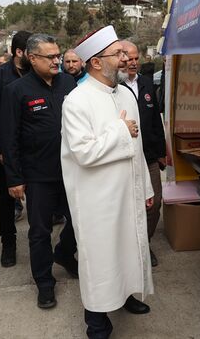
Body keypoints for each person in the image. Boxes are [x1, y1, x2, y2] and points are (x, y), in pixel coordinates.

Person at [61, 26, 154, 339]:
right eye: (118, 54)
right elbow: (84, 152)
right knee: (100, 260)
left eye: (124, 53)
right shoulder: (77, 101)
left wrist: (147, 188)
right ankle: (97, 322)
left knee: (128, 249)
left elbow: (137, 148)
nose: (125, 58)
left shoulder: (125, 93)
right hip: (97, 201)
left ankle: (126, 295)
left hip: (128, 191)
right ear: (96, 62)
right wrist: (119, 131)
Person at [1, 34, 78, 309]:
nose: (57, 61)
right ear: (32, 59)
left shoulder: (69, 83)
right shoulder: (16, 90)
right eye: (51, 57)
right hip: (38, 175)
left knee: (79, 222)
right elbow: (8, 138)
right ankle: (45, 282)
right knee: (40, 231)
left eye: (58, 55)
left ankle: (65, 254)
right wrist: (15, 177)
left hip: (73, 171)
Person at [0, 31, 33, 267]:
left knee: (38, 197)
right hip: (7, 149)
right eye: (31, 53)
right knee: (6, 197)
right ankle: (9, 243)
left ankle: (38, 242)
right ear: (19, 52)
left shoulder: (37, 74)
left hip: (34, 149)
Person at [119, 40, 166, 267]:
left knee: (154, 203)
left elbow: (156, 120)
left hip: (148, 157)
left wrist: (161, 152)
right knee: (128, 206)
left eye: (137, 58)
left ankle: (144, 245)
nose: (134, 62)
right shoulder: (114, 87)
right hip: (122, 159)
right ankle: (127, 248)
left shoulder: (147, 83)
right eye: (129, 58)